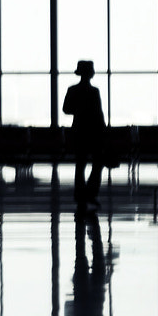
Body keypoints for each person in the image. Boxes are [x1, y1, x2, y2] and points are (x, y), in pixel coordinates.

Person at [62, 59, 107, 209]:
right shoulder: (94, 92)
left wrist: (79, 110)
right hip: (94, 132)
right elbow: (99, 114)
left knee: (80, 165)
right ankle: (91, 194)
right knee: (97, 164)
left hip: (79, 132)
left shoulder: (72, 90)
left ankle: (81, 195)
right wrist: (103, 131)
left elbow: (66, 109)